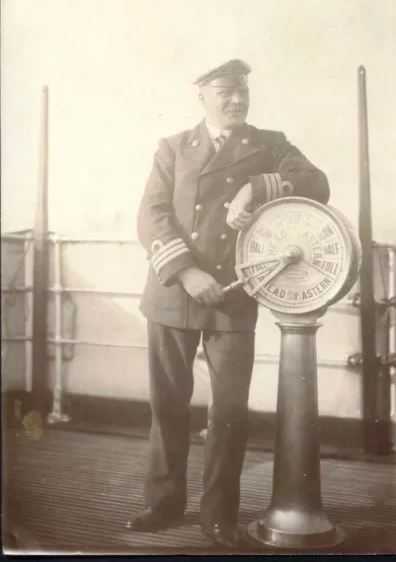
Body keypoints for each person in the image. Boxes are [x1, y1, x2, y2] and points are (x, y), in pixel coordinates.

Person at [128, 59, 330, 547]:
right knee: (168, 405)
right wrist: (186, 271)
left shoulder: (269, 145)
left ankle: (218, 516)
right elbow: (151, 217)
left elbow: (318, 183)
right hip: (175, 292)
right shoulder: (173, 148)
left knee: (229, 411)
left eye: (242, 91)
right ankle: (163, 503)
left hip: (233, 296)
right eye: (226, 92)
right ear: (203, 95)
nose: (237, 100)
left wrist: (256, 186)